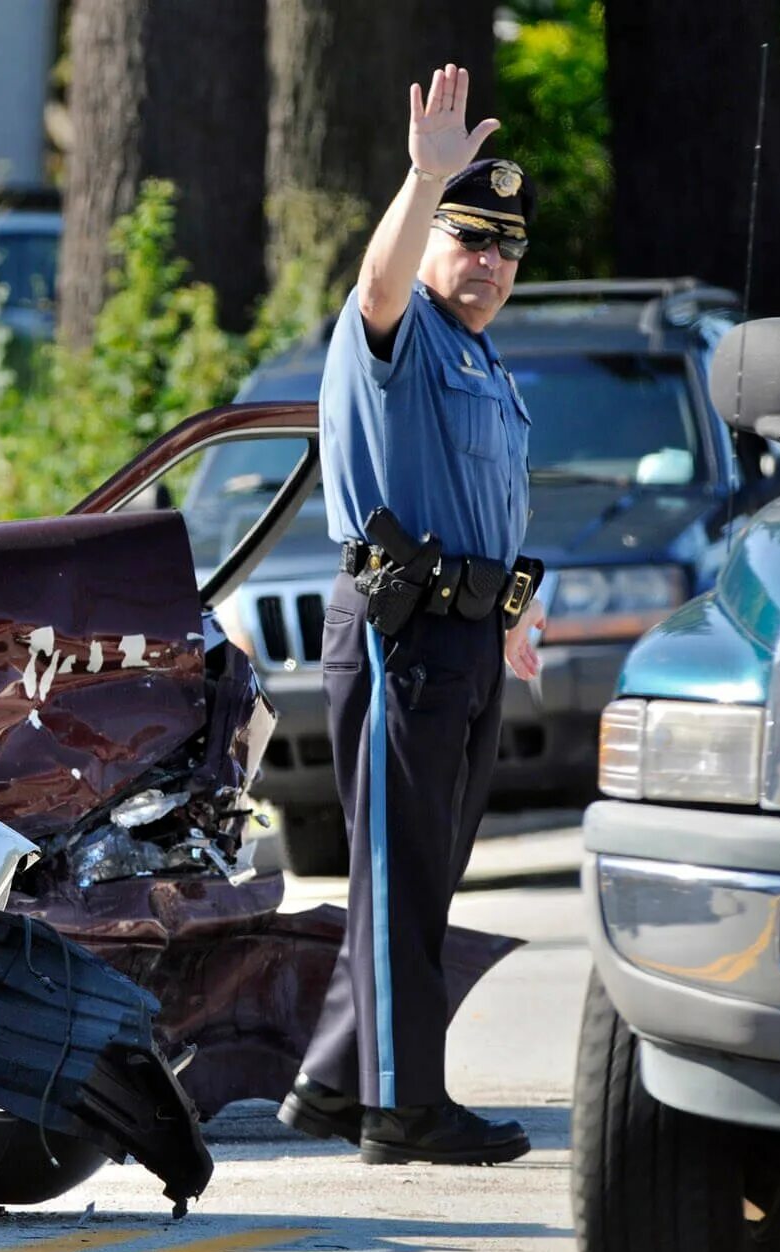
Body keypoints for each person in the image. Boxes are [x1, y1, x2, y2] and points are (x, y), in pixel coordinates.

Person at [274, 63, 544, 1165]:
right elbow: (377, 286)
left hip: (465, 635)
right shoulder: (401, 334)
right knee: (396, 873)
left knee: (421, 871)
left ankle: (332, 1082)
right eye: (465, 234)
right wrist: (417, 182)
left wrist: (513, 616)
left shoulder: (480, 356)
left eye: (503, 246)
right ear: (432, 235)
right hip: (400, 634)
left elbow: (486, 499)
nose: (484, 261)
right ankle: (401, 1109)